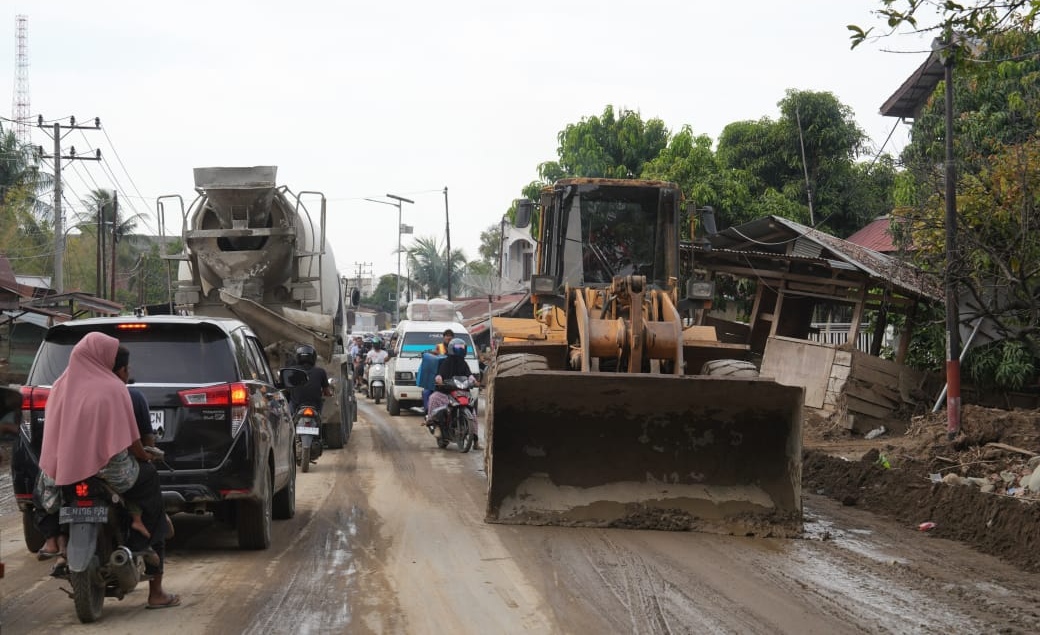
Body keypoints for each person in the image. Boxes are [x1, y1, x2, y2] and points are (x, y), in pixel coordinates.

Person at [39, 332, 179, 609]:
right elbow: (132, 441)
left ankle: (54, 540)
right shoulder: (113, 388)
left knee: (42, 490)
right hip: (110, 473)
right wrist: (145, 458)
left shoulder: (59, 386)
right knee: (150, 488)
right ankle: (155, 588)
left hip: (65, 472)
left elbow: (52, 437)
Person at [427, 337, 480, 448]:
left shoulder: (464, 363)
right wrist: (439, 379)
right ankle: (434, 423)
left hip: (461, 392)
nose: (460, 350)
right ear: (452, 348)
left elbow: (469, 375)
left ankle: (475, 440)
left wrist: (473, 380)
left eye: (462, 348)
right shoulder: (446, 362)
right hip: (446, 392)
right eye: (458, 348)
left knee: (473, 414)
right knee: (434, 398)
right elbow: (440, 374)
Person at [289, 344, 333, 413]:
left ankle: (291, 421)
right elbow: (326, 392)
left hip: (297, 405)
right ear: (314, 357)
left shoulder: (291, 370)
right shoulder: (321, 371)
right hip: (315, 406)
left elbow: (287, 386)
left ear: (298, 357)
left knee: (290, 412)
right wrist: (330, 394)